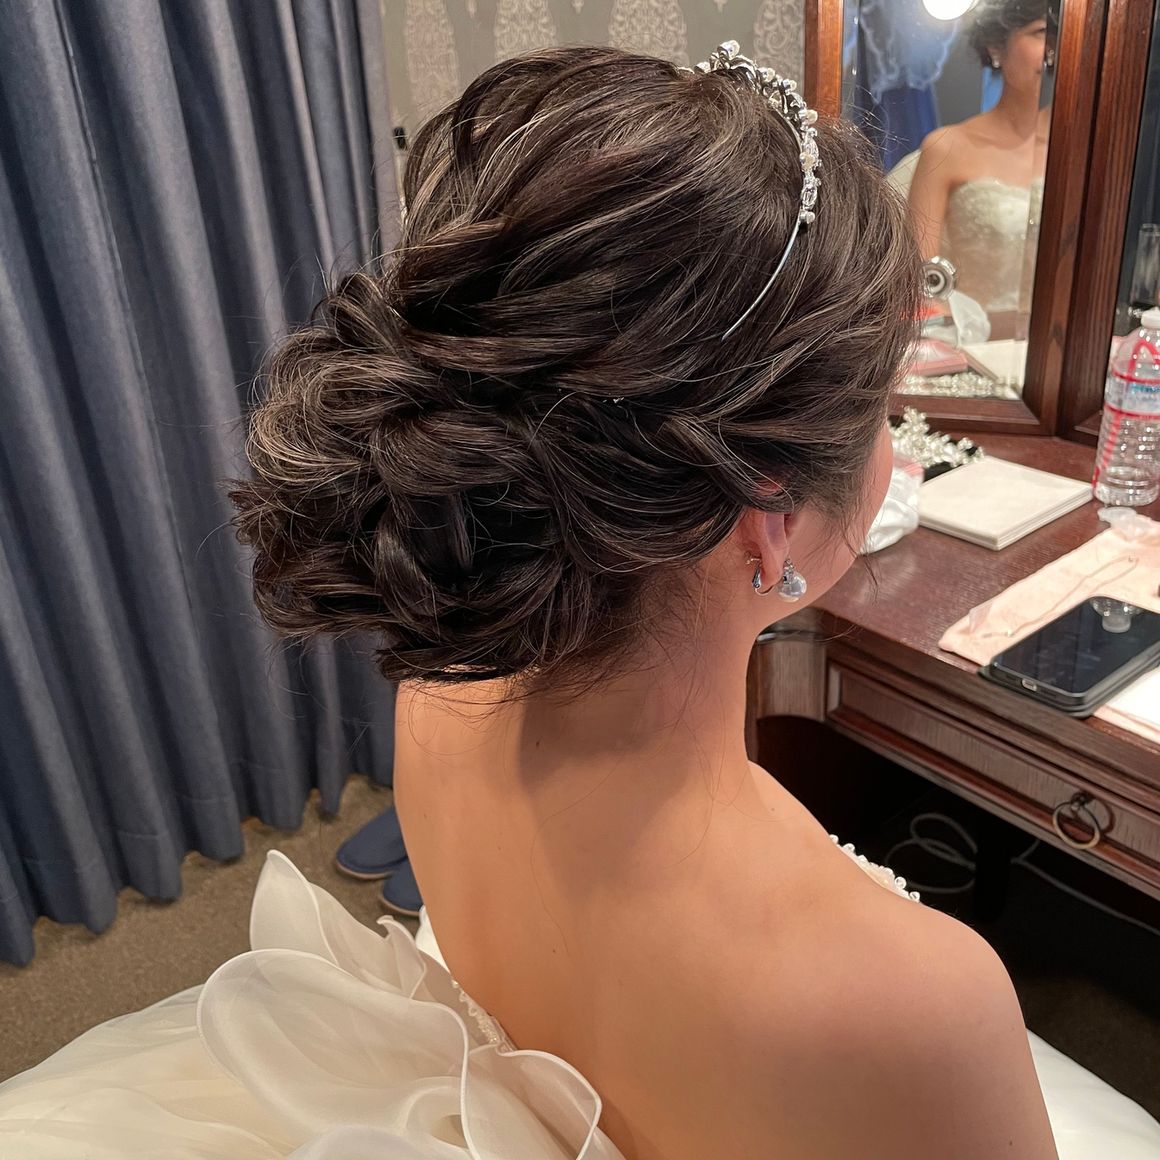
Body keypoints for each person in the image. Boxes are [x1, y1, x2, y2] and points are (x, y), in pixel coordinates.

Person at [4, 40, 1118, 1160]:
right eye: (879, 409)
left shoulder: (445, 693)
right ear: (769, 515)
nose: (891, 445)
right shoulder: (916, 1003)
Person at [907, 0, 1052, 313]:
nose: (1053, 51)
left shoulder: (1077, 148)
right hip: (967, 335)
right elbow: (917, 279)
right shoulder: (946, 147)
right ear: (996, 47)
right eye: (1041, 32)